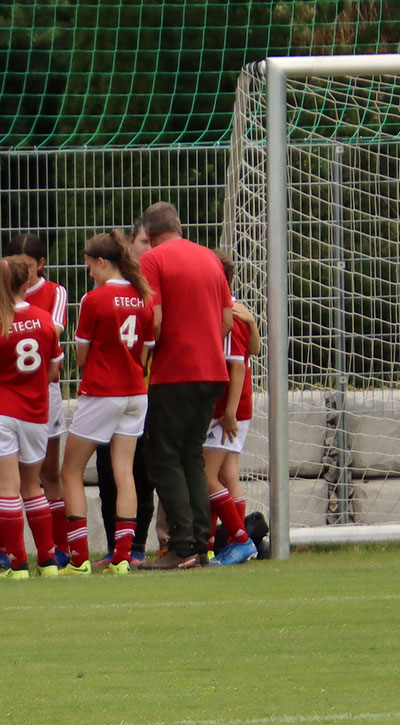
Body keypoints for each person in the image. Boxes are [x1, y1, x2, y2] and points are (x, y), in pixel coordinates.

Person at [133, 201, 236, 570]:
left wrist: (148, 353)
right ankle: (200, 544)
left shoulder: (153, 260)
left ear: (149, 234)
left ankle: (182, 544)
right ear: (177, 226)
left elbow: (155, 321)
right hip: (213, 373)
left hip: (175, 372)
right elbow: (227, 320)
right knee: (192, 455)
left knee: (161, 457)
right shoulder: (209, 258)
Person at [63, 231, 153, 574]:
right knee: (124, 471)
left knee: (70, 470)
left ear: (102, 262)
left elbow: (82, 355)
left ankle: (79, 559)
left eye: (90, 266)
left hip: (102, 391)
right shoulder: (144, 296)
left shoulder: (94, 300)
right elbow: (146, 349)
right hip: (135, 392)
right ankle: (123, 557)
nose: (89, 274)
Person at [0, 256, 61, 577]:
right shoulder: (45, 320)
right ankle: (48, 562)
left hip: (0, 412)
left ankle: (18, 564)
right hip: (36, 414)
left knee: (7, 489)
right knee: (32, 486)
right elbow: (54, 368)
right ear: (27, 284)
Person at [10, 234, 71, 560]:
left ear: (41, 265)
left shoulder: (55, 292)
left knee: (49, 472)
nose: (23, 274)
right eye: (16, 267)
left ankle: (60, 547)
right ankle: (4, 549)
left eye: (29, 268)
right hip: (8, 391)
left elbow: (54, 332)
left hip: (44, 389)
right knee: (7, 475)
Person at [204, 297, 262, 566]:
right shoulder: (238, 311)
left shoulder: (229, 314)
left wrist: (228, 413)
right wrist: (252, 323)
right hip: (236, 405)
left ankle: (239, 540)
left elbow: (238, 366)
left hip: (230, 408)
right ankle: (227, 544)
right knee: (228, 474)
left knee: (206, 476)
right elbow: (256, 349)